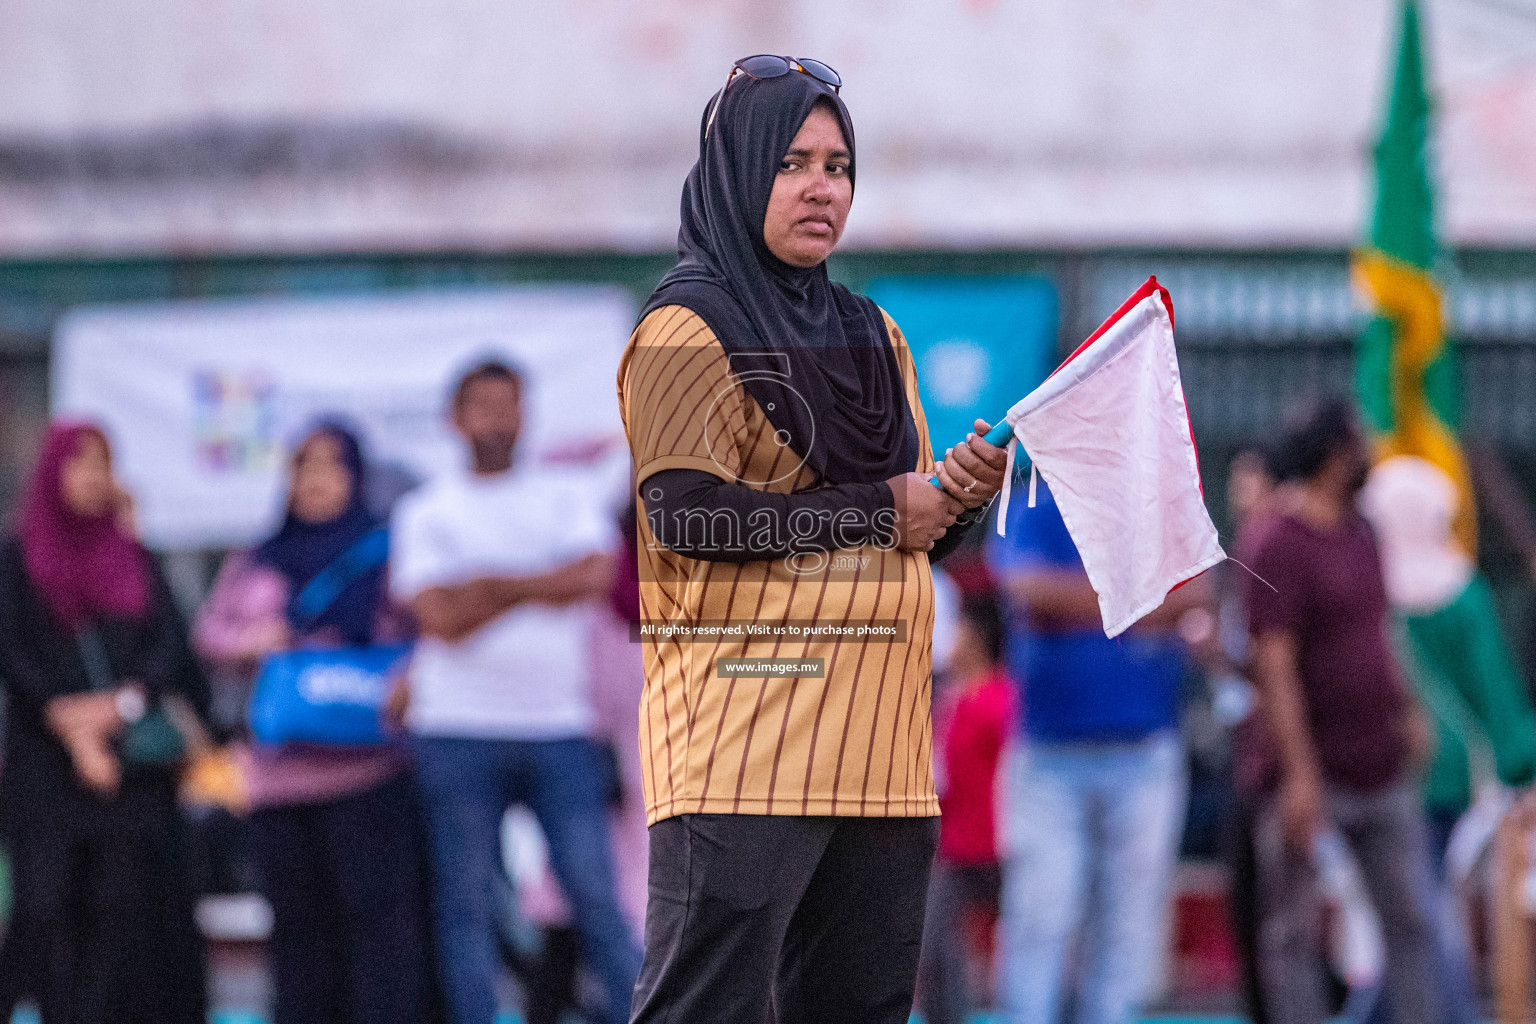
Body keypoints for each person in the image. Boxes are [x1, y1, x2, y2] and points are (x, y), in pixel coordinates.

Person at [617, 57, 1007, 1024]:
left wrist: (953, 500)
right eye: (793, 162)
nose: (821, 187)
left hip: (882, 757)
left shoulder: (874, 334)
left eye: (838, 166)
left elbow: (917, 542)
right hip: (741, 745)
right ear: (742, 171)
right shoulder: (682, 329)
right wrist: (884, 507)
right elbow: (687, 514)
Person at [390, 360, 640, 1024]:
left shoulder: (564, 495)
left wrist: (484, 586)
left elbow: (593, 576)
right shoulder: (425, 509)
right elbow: (438, 618)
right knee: (466, 905)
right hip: (456, 728)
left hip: (559, 727)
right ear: (456, 418)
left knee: (596, 898)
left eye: (510, 405)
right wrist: (536, 579)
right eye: (484, 406)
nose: (498, 420)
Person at [193, 422, 436, 1024]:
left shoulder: (386, 552)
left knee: (383, 936)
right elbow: (207, 635)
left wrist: (407, 679)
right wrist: (254, 641)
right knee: (300, 939)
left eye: (333, 467)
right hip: (278, 784)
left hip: (370, 780)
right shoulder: (259, 559)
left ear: (356, 478)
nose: (318, 481)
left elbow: (428, 634)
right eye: (306, 467)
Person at [0, 422, 209, 1024]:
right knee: (47, 917)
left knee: (132, 922)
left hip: (134, 774)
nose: (93, 478)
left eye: (104, 465)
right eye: (80, 464)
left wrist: (114, 711)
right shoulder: (18, 560)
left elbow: (172, 652)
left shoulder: (135, 559)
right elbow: (14, 653)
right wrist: (68, 724)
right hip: (45, 775)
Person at [1245, 399, 1443, 1024]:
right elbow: (1274, 666)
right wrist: (1300, 777)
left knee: (1413, 919)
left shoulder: (1362, 531)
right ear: (1335, 456)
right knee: (1296, 936)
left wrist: (1408, 706)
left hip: (1376, 760)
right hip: (1308, 773)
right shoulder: (1275, 540)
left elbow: (1380, 630)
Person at [989, 474, 1204, 1024]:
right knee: (1042, 916)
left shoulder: (1157, 502)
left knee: (1126, 928)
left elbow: (1199, 591)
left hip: (1144, 747)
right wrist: (1142, 601)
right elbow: (1028, 589)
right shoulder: (1035, 506)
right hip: (1049, 752)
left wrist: (1080, 605)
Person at [918, 592, 1016, 1024]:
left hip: (1002, 845)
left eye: (957, 630)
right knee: (933, 948)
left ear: (976, 638)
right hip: (955, 846)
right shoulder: (950, 701)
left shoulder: (1002, 699)